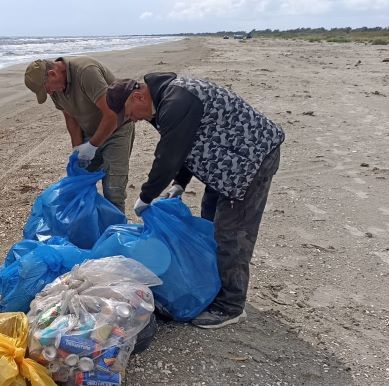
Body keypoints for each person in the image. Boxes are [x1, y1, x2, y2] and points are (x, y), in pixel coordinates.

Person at [105, 73, 284, 329]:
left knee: (231, 232)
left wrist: (146, 196)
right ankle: (215, 283)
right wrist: (180, 182)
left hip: (251, 161)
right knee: (210, 217)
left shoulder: (176, 101)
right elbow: (186, 144)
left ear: (137, 96)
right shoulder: (165, 101)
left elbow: (168, 156)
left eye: (129, 113)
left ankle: (231, 306)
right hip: (227, 161)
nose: (133, 119)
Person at [24, 57, 135, 211]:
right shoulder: (56, 89)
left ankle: (116, 232)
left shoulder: (86, 72)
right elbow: (71, 120)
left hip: (117, 130)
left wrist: (91, 146)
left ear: (53, 74)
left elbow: (112, 114)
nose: (49, 93)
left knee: (113, 189)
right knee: (78, 182)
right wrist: (77, 149)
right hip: (91, 132)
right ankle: (89, 226)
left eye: (46, 88)